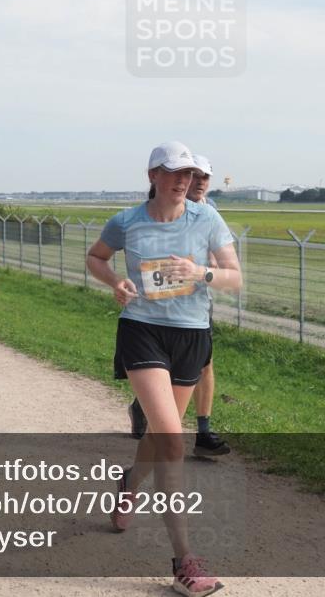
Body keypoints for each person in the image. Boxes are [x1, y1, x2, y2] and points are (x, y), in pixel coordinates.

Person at [87, 140, 241, 597]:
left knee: (159, 436)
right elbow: (96, 256)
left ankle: (130, 482)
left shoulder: (207, 218)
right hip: (143, 330)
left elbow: (234, 276)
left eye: (189, 174)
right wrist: (115, 281)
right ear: (152, 174)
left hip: (192, 334)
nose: (182, 181)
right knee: (172, 440)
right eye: (173, 172)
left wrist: (200, 274)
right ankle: (184, 561)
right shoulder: (127, 221)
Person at [129, 153, 231, 456]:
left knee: (204, 364)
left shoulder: (211, 212)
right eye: (194, 177)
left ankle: (203, 431)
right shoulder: (161, 209)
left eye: (205, 178)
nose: (199, 183)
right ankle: (143, 406)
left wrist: (206, 270)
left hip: (195, 306)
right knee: (161, 367)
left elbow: (221, 258)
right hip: (156, 307)